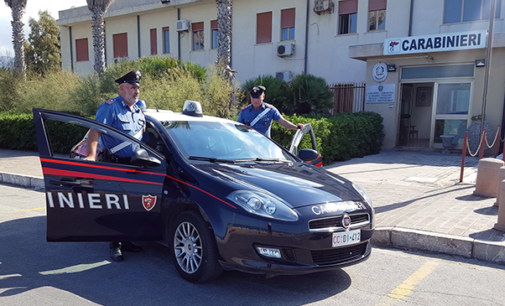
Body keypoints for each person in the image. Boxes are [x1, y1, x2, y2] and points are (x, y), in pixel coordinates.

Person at [84, 69, 145, 262]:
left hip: (135, 166)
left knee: (130, 206)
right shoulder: (110, 107)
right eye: (132, 87)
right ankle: (115, 244)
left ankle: (126, 240)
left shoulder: (138, 110)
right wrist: (91, 157)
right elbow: (95, 133)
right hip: (115, 165)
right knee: (116, 206)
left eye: (138, 88)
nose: (136, 91)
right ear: (122, 88)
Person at [237, 85, 304, 137]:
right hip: (249, 145)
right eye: (253, 98)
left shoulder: (270, 110)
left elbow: (283, 122)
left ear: (263, 96)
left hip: (265, 146)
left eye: (258, 98)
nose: (255, 100)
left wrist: (296, 127)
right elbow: (237, 128)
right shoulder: (244, 111)